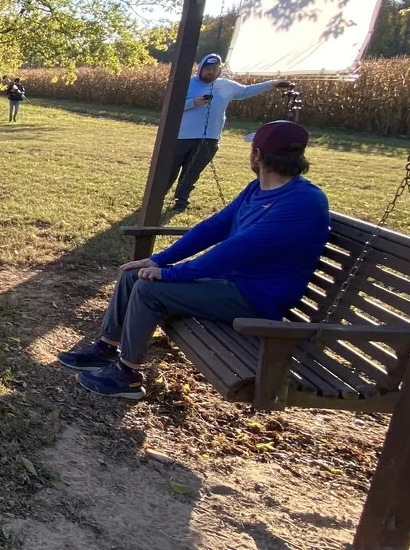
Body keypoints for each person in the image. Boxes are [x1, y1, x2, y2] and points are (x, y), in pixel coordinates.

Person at [58, 120, 329, 400]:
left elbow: (237, 250)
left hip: (255, 299)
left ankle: (126, 376)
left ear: (258, 155)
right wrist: (158, 260)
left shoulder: (303, 202)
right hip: (229, 285)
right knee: (133, 274)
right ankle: (105, 348)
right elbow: (213, 228)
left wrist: (172, 274)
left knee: (149, 288)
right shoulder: (257, 189)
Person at [167, 54, 294, 211]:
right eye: (207, 69)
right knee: (169, 171)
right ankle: (156, 198)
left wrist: (272, 84)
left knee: (192, 173)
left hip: (210, 138)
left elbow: (248, 91)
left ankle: (181, 202)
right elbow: (172, 106)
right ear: (200, 69)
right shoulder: (187, 84)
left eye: (214, 69)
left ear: (219, 70)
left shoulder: (227, 85)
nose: (210, 73)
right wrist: (193, 102)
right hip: (182, 136)